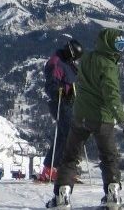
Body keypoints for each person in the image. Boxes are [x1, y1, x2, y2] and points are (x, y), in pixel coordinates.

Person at [46, 28, 124, 209]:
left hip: (80, 117)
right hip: (102, 119)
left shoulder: (87, 58)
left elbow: (79, 81)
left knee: (70, 157)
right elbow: (112, 96)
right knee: (109, 157)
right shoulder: (109, 66)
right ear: (109, 45)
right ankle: (112, 194)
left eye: (123, 45)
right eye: (118, 45)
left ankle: (62, 196)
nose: (121, 49)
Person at [39, 39, 82, 182]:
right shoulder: (56, 63)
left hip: (70, 103)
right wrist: (61, 93)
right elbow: (50, 85)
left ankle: (52, 168)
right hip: (60, 103)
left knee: (64, 136)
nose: (74, 60)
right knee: (69, 135)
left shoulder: (67, 62)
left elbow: (73, 81)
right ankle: (59, 169)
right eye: (74, 57)